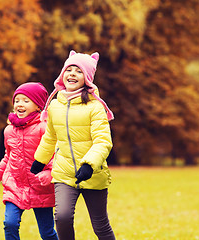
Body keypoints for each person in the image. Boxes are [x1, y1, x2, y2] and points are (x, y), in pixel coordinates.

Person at [30, 50, 116, 240]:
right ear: (62, 75)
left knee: (100, 225)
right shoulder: (55, 106)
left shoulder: (95, 107)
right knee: (62, 218)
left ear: (87, 78)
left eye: (78, 71)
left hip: (92, 173)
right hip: (64, 172)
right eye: (69, 69)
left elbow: (103, 141)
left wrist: (89, 164)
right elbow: (50, 137)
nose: (72, 74)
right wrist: (39, 160)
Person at [0, 82, 58, 240]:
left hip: (41, 187)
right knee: (10, 223)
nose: (20, 104)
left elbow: (54, 154)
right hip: (15, 186)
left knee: (47, 232)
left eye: (26, 101)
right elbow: (8, 156)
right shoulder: (9, 130)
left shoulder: (44, 128)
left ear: (38, 106)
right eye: (17, 100)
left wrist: (50, 172)